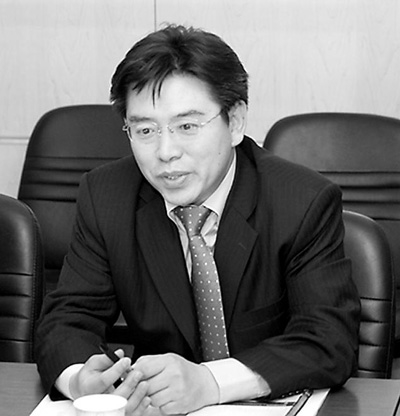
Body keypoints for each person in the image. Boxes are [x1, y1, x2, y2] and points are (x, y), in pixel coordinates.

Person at [35, 24, 360, 416]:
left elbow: (328, 341)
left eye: (187, 126)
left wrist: (210, 382)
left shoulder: (301, 201)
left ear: (235, 121)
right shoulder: (107, 196)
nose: (165, 151)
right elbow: (66, 320)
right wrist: (80, 380)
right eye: (145, 129)